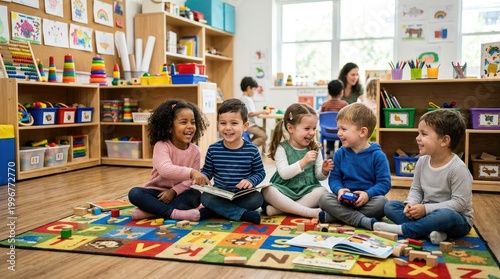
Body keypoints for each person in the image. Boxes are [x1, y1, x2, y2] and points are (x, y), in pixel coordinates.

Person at [374, 109, 473, 244]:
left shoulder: (458, 169)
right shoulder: (422, 161)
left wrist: (425, 209)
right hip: (427, 214)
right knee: (390, 206)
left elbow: (459, 204)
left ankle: (405, 230)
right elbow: (416, 190)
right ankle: (434, 233)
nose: (417, 138)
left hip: (456, 218)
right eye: (418, 133)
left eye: (424, 134)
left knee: (445, 216)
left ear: (444, 141)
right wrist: (411, 204)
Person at [128, 99, 208, 221]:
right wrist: (191, 172)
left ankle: (151, 212)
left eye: (193, 122)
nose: (190, 126)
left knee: (195, 195)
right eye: (183, 122)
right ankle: (174, 213)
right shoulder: (161, 145)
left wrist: (174, 191)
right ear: (169, 127)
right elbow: (165, 169)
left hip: (180, 193)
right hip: (157, 193)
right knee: (135, 193)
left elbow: (190, 182)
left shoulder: (195, 150)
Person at [318, 103, 391, 230]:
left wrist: (368, 194)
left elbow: (384, 183)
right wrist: (340, 190)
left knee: (383, 203)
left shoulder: (378, 156)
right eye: (338, 129)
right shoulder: (340, 153)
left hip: (367, 201)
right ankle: (361, 220)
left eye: (344, 129)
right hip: (343, 201)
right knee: (324, 198)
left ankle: (334, 217)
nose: (339, 133)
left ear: (362, 132)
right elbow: (334, 179)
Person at [198, 98, 266, 224]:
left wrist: (250, 180)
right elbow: (208, 170)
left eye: (234, 123)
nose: (228, 128)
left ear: (245, 126)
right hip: (220, 195)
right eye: (223, 123)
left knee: (257, 199)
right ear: (218, 124)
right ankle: (241, 214)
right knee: (205, 197)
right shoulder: (213, 149)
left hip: (242, 196)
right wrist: (203, 176)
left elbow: (260, 173)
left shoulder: (252, 150)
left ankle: (216, 211)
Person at [262, 103, 334, 218]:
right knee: (266, 190)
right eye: (307, 128)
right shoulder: (282, 148)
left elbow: (319, 177)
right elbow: (284, 174)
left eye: (314, 128)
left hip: (306, 190)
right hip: (284, 189)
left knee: (323, 192)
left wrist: (324, 171)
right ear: (290, 128)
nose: (311, 132)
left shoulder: (315, 148)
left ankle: (281, 210)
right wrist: (303, 162)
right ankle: (307, 212)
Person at [240, 76, 269, 147]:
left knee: (263, 131)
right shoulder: (246, 99)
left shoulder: (244, 98)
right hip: (249, 125)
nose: (255, 91)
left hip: (250, 124)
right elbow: (251, 114)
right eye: (254, 89)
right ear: (248, 88)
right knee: (263, 136)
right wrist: (262, 111)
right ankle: (249, 149)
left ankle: (249, 145)